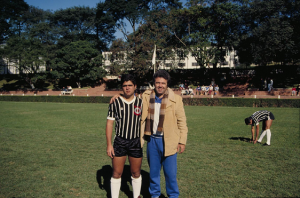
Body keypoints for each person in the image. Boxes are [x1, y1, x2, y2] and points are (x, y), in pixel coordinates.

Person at [141, 70, 188, 198]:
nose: (160, 85)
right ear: (154, 84)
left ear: (167, 84)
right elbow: (129, 97)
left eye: (163, 83)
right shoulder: (146, 96)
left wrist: (182, 141)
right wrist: (117, 96)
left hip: (169, 141)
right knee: (154, 173)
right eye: (157, 83)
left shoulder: (176, 99)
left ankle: (173, 195)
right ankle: (154, 195)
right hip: (152, 141)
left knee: (170, 174)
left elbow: (182, 122)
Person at [106, 74, 143, 198]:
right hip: (120, 141)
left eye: (130, 85)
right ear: (122, 87)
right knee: (116, 173)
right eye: (125, 86)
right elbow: (110, 124)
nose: (127, 88)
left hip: (136, 142)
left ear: (135, 87)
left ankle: (136, 196)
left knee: (136, 172)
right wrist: (109, 145)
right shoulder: (115, 102)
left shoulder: (141, 102)